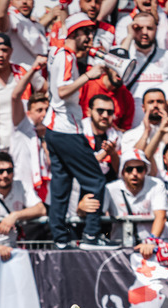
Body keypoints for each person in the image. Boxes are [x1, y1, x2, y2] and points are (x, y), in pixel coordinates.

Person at [42, 16, 116, 250]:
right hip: (66, 129)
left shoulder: (61, 52)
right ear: (74, 33)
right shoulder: (66, 56)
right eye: (85, 33)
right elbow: (62, 90)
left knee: (62, 186)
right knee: (95, 180)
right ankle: (92, 236)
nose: (89, 38)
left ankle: (60, 239)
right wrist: (88, 76)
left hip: (55, 129)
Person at [101, 151, 167, 244]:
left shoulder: (156, 185)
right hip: (120, 247)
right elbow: (97, 213)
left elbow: (161, 216)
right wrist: (82, 209)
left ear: (145, 170)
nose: (134, 173)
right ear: (123, 172)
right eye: (129, 169)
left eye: (139, 169)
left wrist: (151, 241)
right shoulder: (110, 188)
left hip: (149, 247)